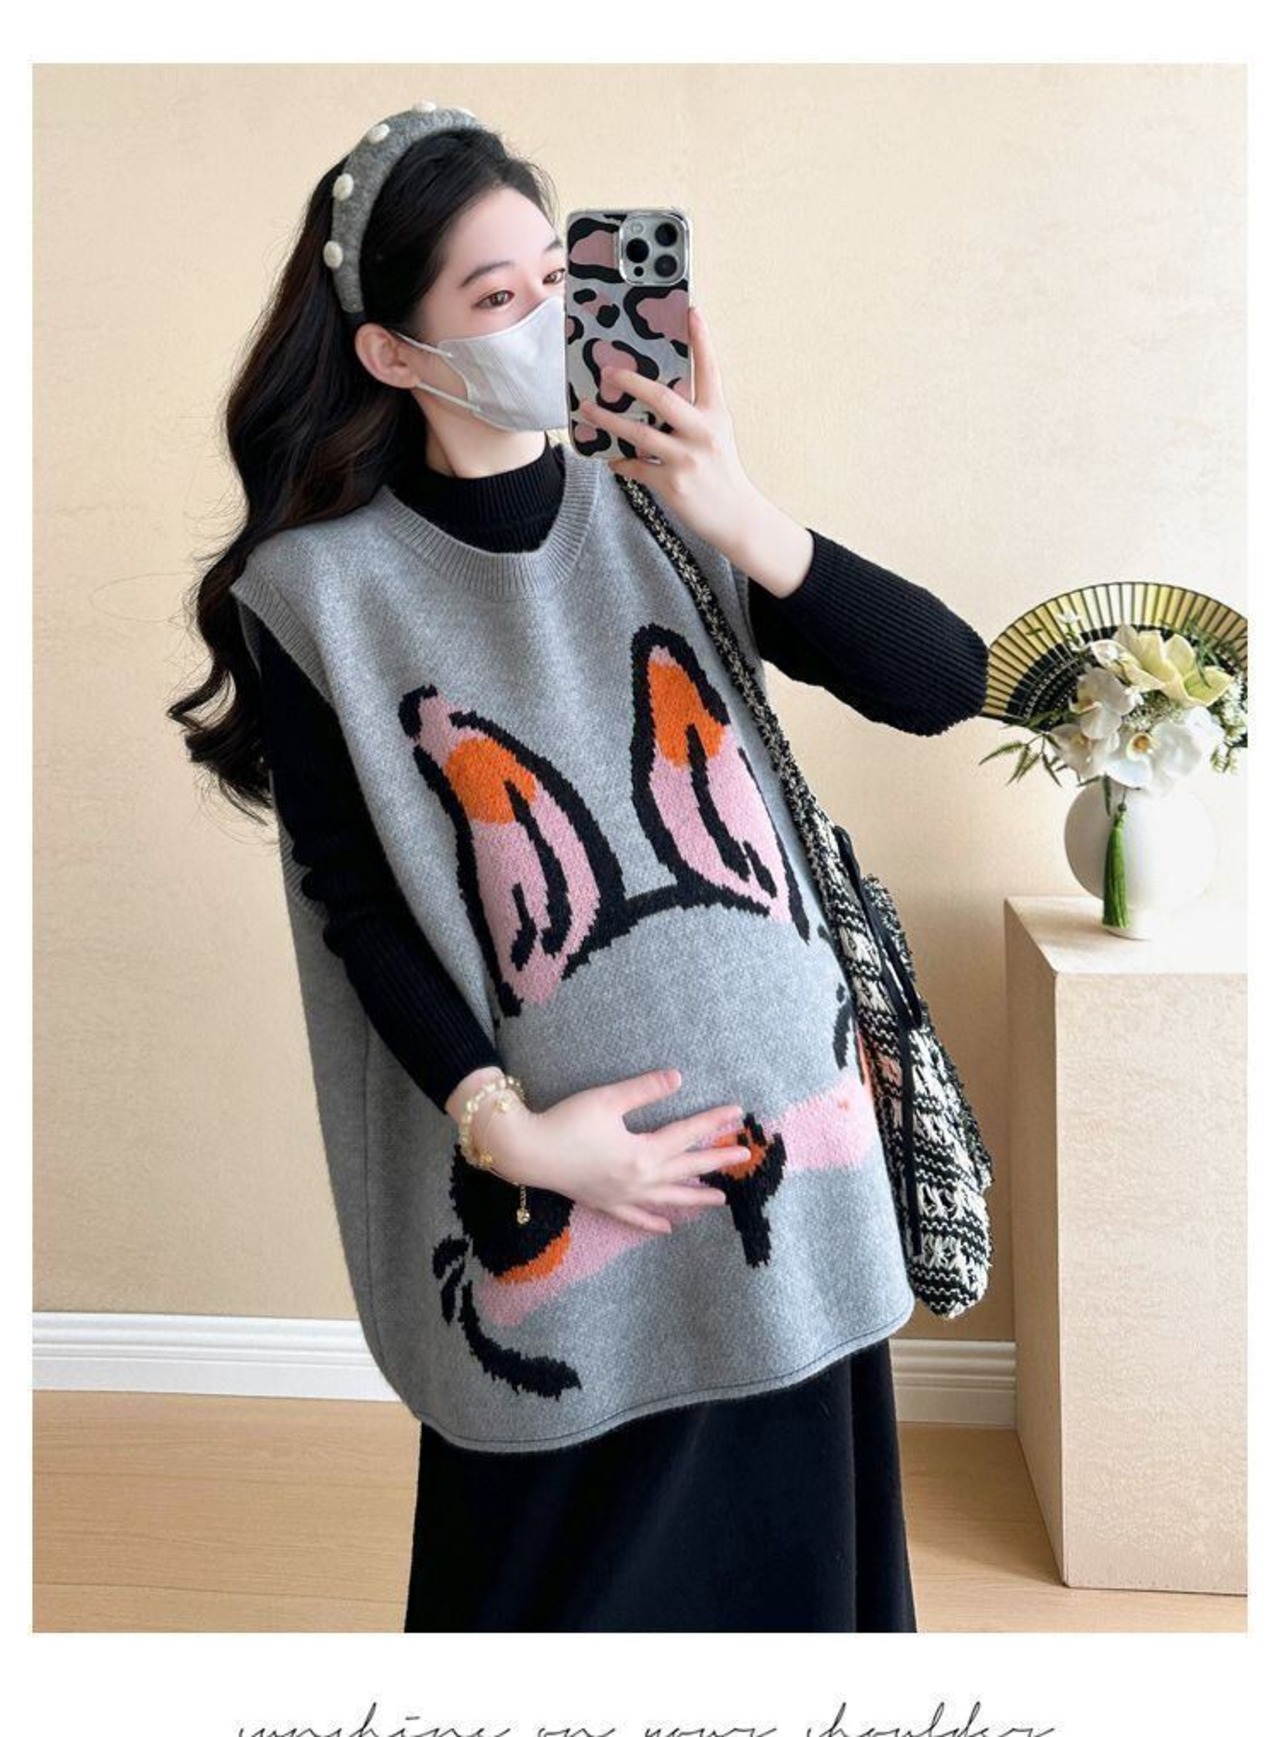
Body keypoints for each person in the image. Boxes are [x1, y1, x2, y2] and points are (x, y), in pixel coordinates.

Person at [169, 102, 989, 1634]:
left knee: (805, 1615)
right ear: (393, 352)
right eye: (497, 297)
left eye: (560, 277)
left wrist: (740, 510)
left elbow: (948, 682)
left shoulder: (667, 508)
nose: (547, 320)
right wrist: (519, 1138)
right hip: (570, 1217)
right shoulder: (321, 593)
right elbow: (357, 909)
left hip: (796, 1177)